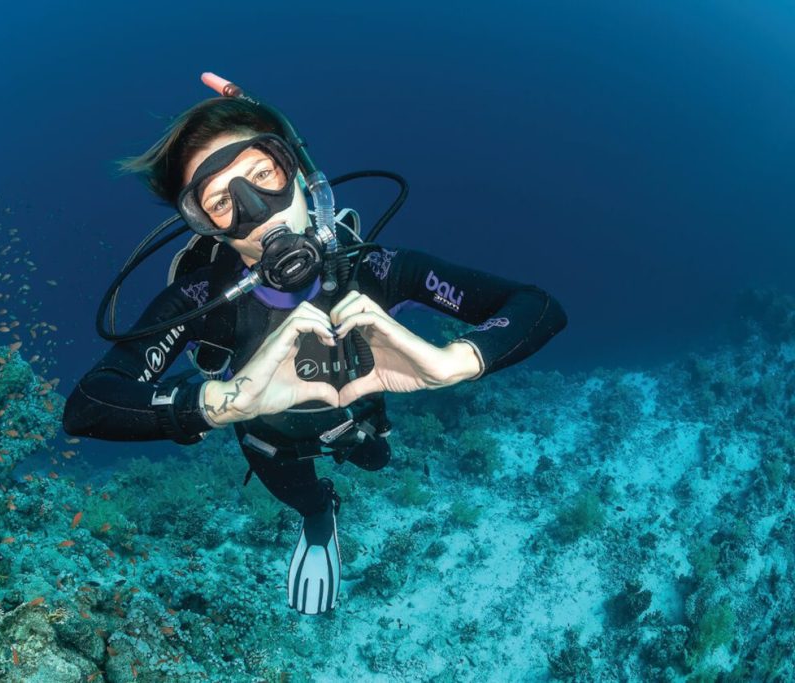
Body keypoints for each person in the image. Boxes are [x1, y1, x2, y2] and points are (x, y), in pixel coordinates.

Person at [63, 89, 568, 616]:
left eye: (263, 174)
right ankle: (319, 517)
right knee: (302, 498)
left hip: (358, 418)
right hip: (269, 440)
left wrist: (454, 364)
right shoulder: (199, 301)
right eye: (220, 202)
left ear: (303, 175)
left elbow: (538, 306)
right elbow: (90, 404)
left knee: (376, 460)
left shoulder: (375, 269)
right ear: (208, 228)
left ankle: (353, 452)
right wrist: (221, 402)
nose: (256, 211)